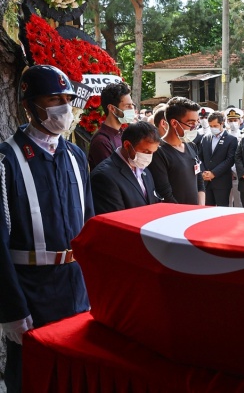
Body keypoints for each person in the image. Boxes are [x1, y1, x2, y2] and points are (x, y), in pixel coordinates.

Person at [0, 65, 93, 391]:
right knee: (31, 378)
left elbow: (90, 227)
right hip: (33, 292)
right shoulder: (6, 159)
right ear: (29, 104)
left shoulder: (76, 155)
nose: (64, 108)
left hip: (77, 288)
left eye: (67, 99)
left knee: (74, 376)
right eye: (54, 99)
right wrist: (12, 308)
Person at [90, 121, 161, 215]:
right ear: (127, 145)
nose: (149, 156)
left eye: (153, 152)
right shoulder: (104, 176)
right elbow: (115, 220)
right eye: (146, 151)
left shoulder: (145, 170)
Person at [147, 97, 205, 205]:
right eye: (191, 123)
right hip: (175, 215)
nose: (195, 127)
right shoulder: (158, 152)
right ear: (174, 123)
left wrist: (200, 207)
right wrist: (184, 214)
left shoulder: (191, 146)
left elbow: (199, 181)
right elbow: (164, 193)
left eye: (197, 122)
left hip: (195, 213)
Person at [88, 82, 135, 170]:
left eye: (132, 105)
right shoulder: (102, 141)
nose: (132, 109)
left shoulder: (123, 133)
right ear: (112, 108)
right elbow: (111, 176)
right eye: (128, 106)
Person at [198, 111, 238, 207]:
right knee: (207, 210)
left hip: (222, 182)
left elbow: (230, 160)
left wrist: (214, 173)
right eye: (211, 126)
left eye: (215, 126)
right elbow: (199, 157)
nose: (213, 128)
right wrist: (203, 172)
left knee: (222, 209)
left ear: (222, 124)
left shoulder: (231, 139)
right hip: (206, 181)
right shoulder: (205, 138)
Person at [225, 108, 244, 207]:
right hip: (226, 174)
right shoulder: (224, 136)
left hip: (239, 174)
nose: (233, 123)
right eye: (230, 121)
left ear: (240, 121)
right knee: (227, 202)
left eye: (235, 120)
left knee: (239, 202)